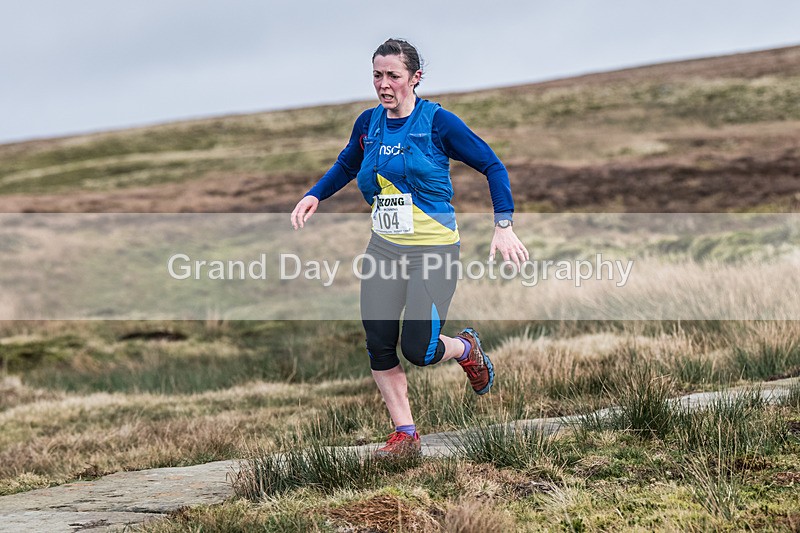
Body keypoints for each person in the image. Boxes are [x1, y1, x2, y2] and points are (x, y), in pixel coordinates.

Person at [291, 38, 529, 457]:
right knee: (379, 341)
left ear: (415, 78)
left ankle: (466, 348)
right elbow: (348, 163)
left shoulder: (438, 123)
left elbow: (492, 165)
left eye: (393, 76)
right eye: (377, 76)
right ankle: (405, 433)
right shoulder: (368, 123)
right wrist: (316, 194)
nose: (384, 85)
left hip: (434, 250)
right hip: (384, 250)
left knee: (420, 350)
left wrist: (503, 224)